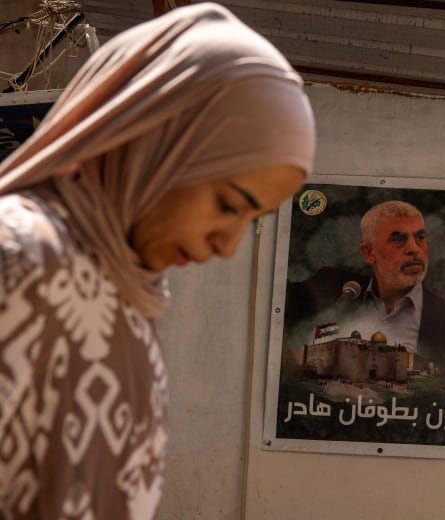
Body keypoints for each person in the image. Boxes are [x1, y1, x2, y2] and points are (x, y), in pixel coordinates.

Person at [0, 3, 315, 519]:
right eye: (228, 204)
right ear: (150, 140)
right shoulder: (21, 258)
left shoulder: (126, 290)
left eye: (251, 219)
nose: (227, 246)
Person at [285, 200, 445, 371]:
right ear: (369, 252)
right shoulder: (333, 288)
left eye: (420, 236)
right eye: (398, 238)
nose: (414, 249)